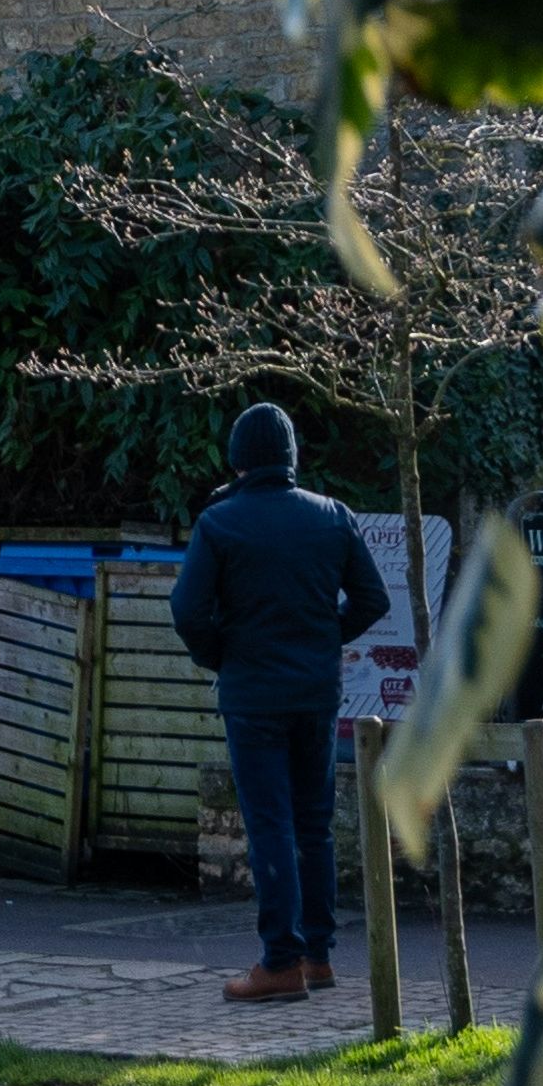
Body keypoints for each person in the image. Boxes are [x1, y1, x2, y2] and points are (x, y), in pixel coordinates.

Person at [167, 402, 391, 1002]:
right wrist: (323, 639)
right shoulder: (331, 516)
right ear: (291, 458)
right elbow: (373, 600)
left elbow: (186, 610)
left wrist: (223, 656)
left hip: (253, 697)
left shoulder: (220, 523)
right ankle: (318, 957)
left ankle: (280, 962)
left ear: (238, 460)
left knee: (270, 824)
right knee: (314, 826)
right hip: (317, 693)